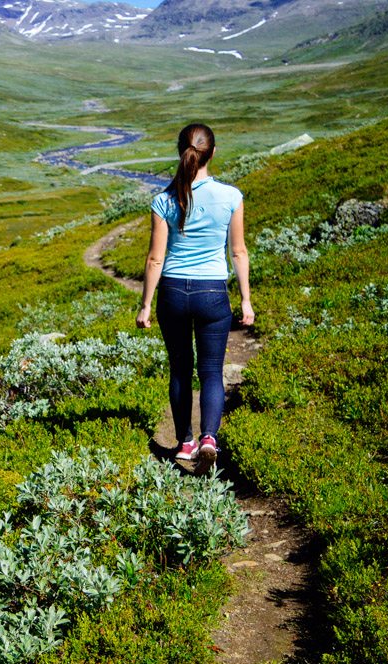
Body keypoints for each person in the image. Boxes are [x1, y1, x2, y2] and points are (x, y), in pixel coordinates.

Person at [135, 123, 254, 469]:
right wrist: (245, 300)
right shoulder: (231, 197)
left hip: (172, 291)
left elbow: (155, 258)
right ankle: (209, 438)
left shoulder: (163, 200)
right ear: (212, 153)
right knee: (212, 372)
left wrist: (145, 305)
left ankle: (185, 442)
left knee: (180, 370)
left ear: (180, 152)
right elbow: (239, 252)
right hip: (212, 292)